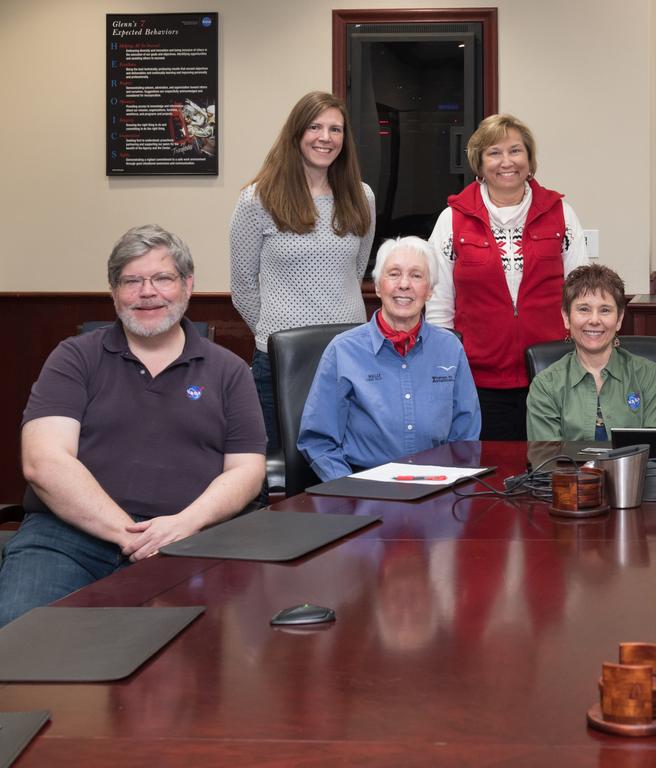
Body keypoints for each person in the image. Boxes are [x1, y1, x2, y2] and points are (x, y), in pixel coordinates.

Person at [0, 225, 266, 627]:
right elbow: (43, 460)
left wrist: (183, 525)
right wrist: (130, 535)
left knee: (192, 659)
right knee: (21, 640)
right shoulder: (73, 359)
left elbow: (247, 471)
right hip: (66, 540)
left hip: (190, 540)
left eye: (162, 278)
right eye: (132, 281)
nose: (147, 292)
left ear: (187, 284)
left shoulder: (228, 370)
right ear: (113, 291)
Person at [426, 113, 588, 441]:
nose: (506, 162)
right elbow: (438, 306)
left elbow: (582, 295)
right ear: (479, 162)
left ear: (529, 160)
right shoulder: (452, 219)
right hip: (477, 381)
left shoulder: (560, 214)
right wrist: (445, 373)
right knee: (489, 474)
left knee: (552, 473)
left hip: (553, 375)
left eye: (515, 151)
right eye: (494, 152)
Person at [230, 91, 376, 454]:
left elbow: (355, 272)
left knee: (347, 468)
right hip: (283, 361)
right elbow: (243, 287)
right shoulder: (257, 199)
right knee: (279, 470)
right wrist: (275, 335)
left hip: (349, 356)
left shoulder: (362, 197)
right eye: (315, 127)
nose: (325, 138)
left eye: (335, 129)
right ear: (296, 133)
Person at [298, 236, 481, 482]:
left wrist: (450, 489)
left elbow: (465, 436)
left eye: (417, 276)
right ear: (377, 286)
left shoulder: (450, 348)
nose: (404, 284)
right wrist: (349, 490)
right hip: (363, 489)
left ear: (430, 290)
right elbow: (318, 441)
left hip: (437, 489)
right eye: (394, 274)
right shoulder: (342, 351)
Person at [527, 265, 656, 441]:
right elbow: (546, 460)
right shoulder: (546, 386)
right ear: (566, 317)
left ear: (619, 319)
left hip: (636, 470)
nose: (595, 320)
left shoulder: (648, 376)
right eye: (584, 309)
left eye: (605, 310)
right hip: (567, 470)